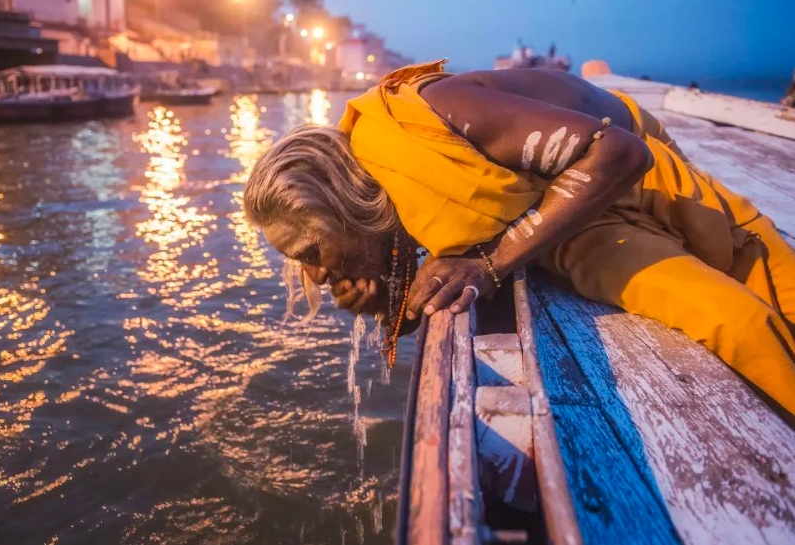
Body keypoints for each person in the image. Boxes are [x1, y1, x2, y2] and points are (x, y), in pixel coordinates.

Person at [243, 60, 795, 416]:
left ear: (342, 203)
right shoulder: (390, 195)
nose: (312, 274)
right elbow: (433, 263)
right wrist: (391, 304)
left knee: (761, 293)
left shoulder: (428, 115)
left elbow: (619, 154)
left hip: (626, 157)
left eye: (311, 253)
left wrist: (490, 264)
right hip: (560, 210)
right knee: (718, 310)